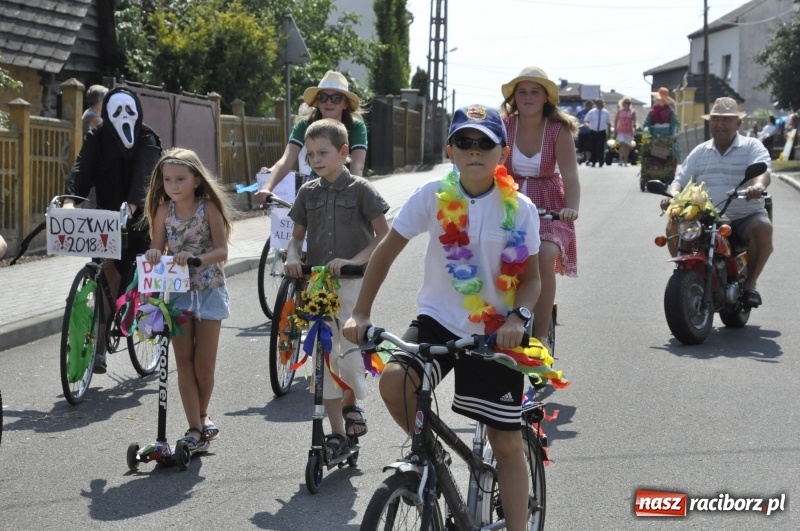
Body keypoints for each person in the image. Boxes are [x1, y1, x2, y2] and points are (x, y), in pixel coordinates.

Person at [344, 105, 542, 531]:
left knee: (504, 440)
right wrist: (361, 311)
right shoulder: (432, 195)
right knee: (396, 381)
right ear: (450, 150)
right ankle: (431, 457)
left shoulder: (520, 209)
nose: (474, 151)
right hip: (438, 320)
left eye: (484, 143)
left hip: (496, 332)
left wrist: (518, 319)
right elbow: (386, 251)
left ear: (502, 152)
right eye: (465, 143)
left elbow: (532, 281)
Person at [285, 118, 389, 453]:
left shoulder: (361, 189)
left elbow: (383, 235)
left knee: (348, 352)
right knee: (322, 357)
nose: (315, 159)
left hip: (353, 284)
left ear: (344, 152)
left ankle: (351, 405)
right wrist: (291, 257)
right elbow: (296, 237)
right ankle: (336, 433)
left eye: (323, 152)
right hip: (317, 286)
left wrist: (354, 260)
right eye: (310, 153)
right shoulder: (307, 192)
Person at [64, 86, 163, 373]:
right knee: (107, 273)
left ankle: (151, 324)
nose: (122, 117)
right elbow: (82, 168)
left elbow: (147, 173)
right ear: (106, 112)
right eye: (115, 111)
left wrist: (132, 206)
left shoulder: (147, 137)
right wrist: (70, 201)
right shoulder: (98, 137)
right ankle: (99, 344)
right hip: (106, 219)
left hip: (140, 216)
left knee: (147, 269)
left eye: (127, 111)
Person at [143, 147, 234, 449]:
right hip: (178, 294)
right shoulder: (161, 210)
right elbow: (157, 249)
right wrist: (155, 254)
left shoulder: (208, 208)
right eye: (167, 180)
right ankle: (194, 428)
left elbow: (222, 251)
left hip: (209, 291)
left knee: (203, 367)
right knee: (183, 363)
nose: (173, 185)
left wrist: (195, 258)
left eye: (180, 179)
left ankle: (204, 415)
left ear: (196, 179)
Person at [659, 97, 771, 308]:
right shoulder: (700, 152)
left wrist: (758, 187)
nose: (720, 125)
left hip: (743, 216)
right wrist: (672, 195)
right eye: (716, 119)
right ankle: (685, 274)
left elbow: (762, 172)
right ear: (710, 123)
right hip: (708, 217)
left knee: (763, 227)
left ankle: (749, 286)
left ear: (738, 123)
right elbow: (679, 182)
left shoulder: (752, 146)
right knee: (674, 221)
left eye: (727, 120)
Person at [499, 66, 579, 351]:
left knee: (544, 255)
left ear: (546, 97)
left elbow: (570, 176)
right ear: (514, 98)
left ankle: (541, 337)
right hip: (509, 203)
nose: (528, 97)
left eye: (535, 91)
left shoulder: (558, 130)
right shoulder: (504, 126)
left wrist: (571, 208)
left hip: (549, 206)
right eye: (522, 92)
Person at [254, 71, 368, 202]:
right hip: (315, 189)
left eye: (336, 98)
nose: (329, 102)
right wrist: (267, 188)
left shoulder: (357, 127)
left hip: (345, 188)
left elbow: (357, 166)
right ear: (317, 102)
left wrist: (352, 194)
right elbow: (286, 160)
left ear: (345, 104)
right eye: (323, 97)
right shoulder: (304, 124)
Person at [642, 86, 681, 161]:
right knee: (650, 152)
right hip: (654, 136)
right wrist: (647, 132)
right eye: (660, 99)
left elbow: (675, 124)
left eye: (663, 99)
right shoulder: (652, 112)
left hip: (667, 136)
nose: (661, 101)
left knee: (670, 152)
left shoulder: (670, 112)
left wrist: (675, 132)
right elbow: (647, 124)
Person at [583, 98, 611, 167]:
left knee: (600, 146)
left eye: (602, 104)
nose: (601, 105)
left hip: (602, 132)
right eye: (599, 104)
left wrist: (609, 132)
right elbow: (586, 120)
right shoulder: (591, 112)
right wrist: (586, 124)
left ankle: (601, 161)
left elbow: (609, 123)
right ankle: (593, 161)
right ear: (596, 104)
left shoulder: (606, 113)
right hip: (593, 131)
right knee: (593, 147)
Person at [614, 96, 637, 166]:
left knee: (627, 146)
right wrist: (615, 129)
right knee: (622, 144)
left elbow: (635, 120)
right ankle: (620, 160)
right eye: (627, 103)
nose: (628, 104)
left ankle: (625, 161)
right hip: (621, 129)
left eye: (629, 103)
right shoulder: (620, 111)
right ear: (623, 104)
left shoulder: (632, 111)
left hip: (629, 130)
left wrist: (635, 125)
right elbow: (616, 120)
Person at [575, 100, 593, 165]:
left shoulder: (592, 113)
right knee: (580, 146)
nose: (591, 107)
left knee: (588, 147)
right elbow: (575, 120)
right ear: (586, 105)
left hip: (590, 132)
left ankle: (587, 160)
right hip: (582, 132)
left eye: (592, 106)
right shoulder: (580, 113)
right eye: (590, 106)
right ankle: (579, 159)